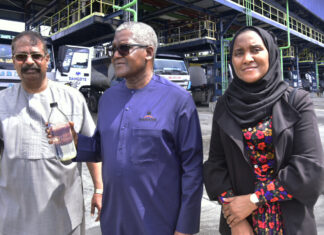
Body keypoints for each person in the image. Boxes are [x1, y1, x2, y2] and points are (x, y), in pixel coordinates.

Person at [71, 21, 203, 235]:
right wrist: (77, 143)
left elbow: (193, 169)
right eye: (112, 49)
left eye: (123, 48)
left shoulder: (178, 101)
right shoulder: (109, 99)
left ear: (149, 52)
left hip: (159, 220)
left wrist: (185, 227)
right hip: (115, 219)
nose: (115, 55)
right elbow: (100, 147)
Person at [203, 26, 324, 235]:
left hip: (291, 224)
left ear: (271, 53)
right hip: (242, 225)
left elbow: (310, 168)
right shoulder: (224, 105)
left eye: (256, 49)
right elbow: (215, 165)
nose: (247, 58)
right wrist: (235, 219)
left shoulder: (296, 101)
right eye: (238, 53)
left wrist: (254, 199)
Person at [0, 31, 103, 235]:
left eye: (36, 55)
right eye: (21, 57)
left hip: (62, 212)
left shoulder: (72, 99)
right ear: (13, 61)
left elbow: (92, 149)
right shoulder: (2, 102)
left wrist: (99, 189)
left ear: (47, 60)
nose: (29, 61)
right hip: (14, 213)